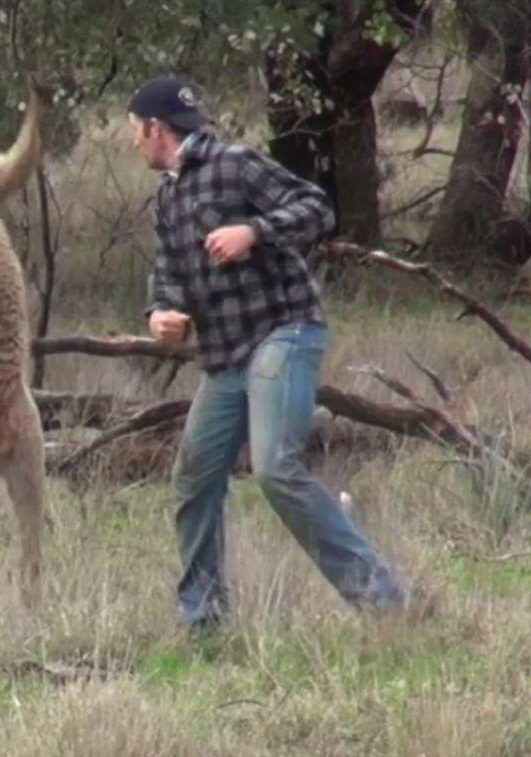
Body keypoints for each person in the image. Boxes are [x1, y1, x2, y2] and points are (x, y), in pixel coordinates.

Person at [127, 76, 405, 630]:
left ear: (156, 129)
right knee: (194, 478)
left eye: (135, 131)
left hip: (284, 332)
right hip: (226, 357)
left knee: (276, 468)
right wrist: (161, 315)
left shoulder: (234, 164)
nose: (133, 142)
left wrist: (252, 231)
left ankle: (383, 601)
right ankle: (203, 622)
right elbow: (169, 279)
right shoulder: (168, 198)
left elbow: (317, 209)